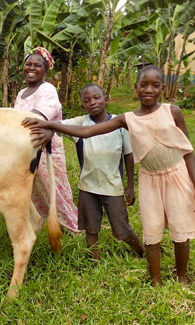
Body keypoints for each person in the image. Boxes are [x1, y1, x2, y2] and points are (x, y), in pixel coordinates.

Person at [23, 65, 195, 286]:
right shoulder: (126, 119)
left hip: (175, 177)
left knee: (179, 230)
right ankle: (155, 280)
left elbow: (187, 150)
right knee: (151, 230)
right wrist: (49, 124)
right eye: (143, 85)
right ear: (135, 88)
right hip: (146, 181)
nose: (148, 89)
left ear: (162, 88)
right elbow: (87, 131)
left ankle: (182, 277)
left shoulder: (173, 111)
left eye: (155, 85)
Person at [59, 83, 144, 264]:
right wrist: (42, 123)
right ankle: (94, 262)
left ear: (106, 99)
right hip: (87, 187)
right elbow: (58, 126)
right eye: (87, 100)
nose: (93, 103)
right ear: (83, 106)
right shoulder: (81, 123)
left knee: (122, 230)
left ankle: (142, 252)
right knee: (91, 229)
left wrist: (130, 186)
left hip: (112, 187)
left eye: (97, 97)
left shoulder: (120, 124)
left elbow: (128, 156)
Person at [14, 47, 79, 233]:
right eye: (28, 64)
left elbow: (38, 117)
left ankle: (73, 228)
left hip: (47, 149)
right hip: (27, 148)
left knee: (54, 190)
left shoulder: (47, 89)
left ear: (46, 69)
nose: (32, 68)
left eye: (37, 65)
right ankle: (42, 227)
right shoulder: (22, 93)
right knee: (33, 190)